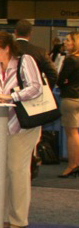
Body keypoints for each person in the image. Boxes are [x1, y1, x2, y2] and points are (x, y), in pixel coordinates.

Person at [0, 31, 43, 228]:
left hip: (24, 123)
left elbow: (36, 88)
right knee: (2, 170)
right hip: (0, 124)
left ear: (7, 48)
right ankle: (4, 214)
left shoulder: (26, 61)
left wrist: (11, 97)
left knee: (17, 169)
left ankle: (18, 218)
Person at [57, 32, 79, 178]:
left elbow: (61, 79)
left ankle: (73, 164)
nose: (65, 42)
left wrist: (63, 82)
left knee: (72, 133)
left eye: (68, 40)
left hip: (70, 98)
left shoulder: (71, 60)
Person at [14, 19, 58, 88]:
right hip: (33, 94)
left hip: (9, 93)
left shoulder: (6, 51)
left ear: (15, 32)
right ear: (30, 33)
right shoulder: (40, 52)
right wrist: (44, 88)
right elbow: (53, 74)